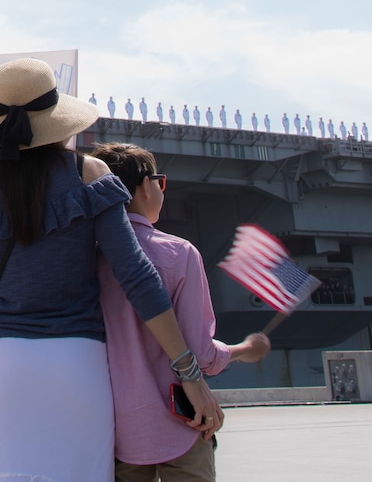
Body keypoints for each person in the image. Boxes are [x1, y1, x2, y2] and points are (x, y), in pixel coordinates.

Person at [0, 59, 222, 482]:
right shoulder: (90, 173)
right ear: (55, 120)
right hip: (78, 363)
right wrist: (189, 373)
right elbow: (138, 279)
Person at [94, 142, 270, 480]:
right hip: (182, 421)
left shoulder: (88, 257)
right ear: (147, 186)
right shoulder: (178, 253)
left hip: (114, 431)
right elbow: (202, 354)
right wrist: (246, 350)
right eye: (159, 181)